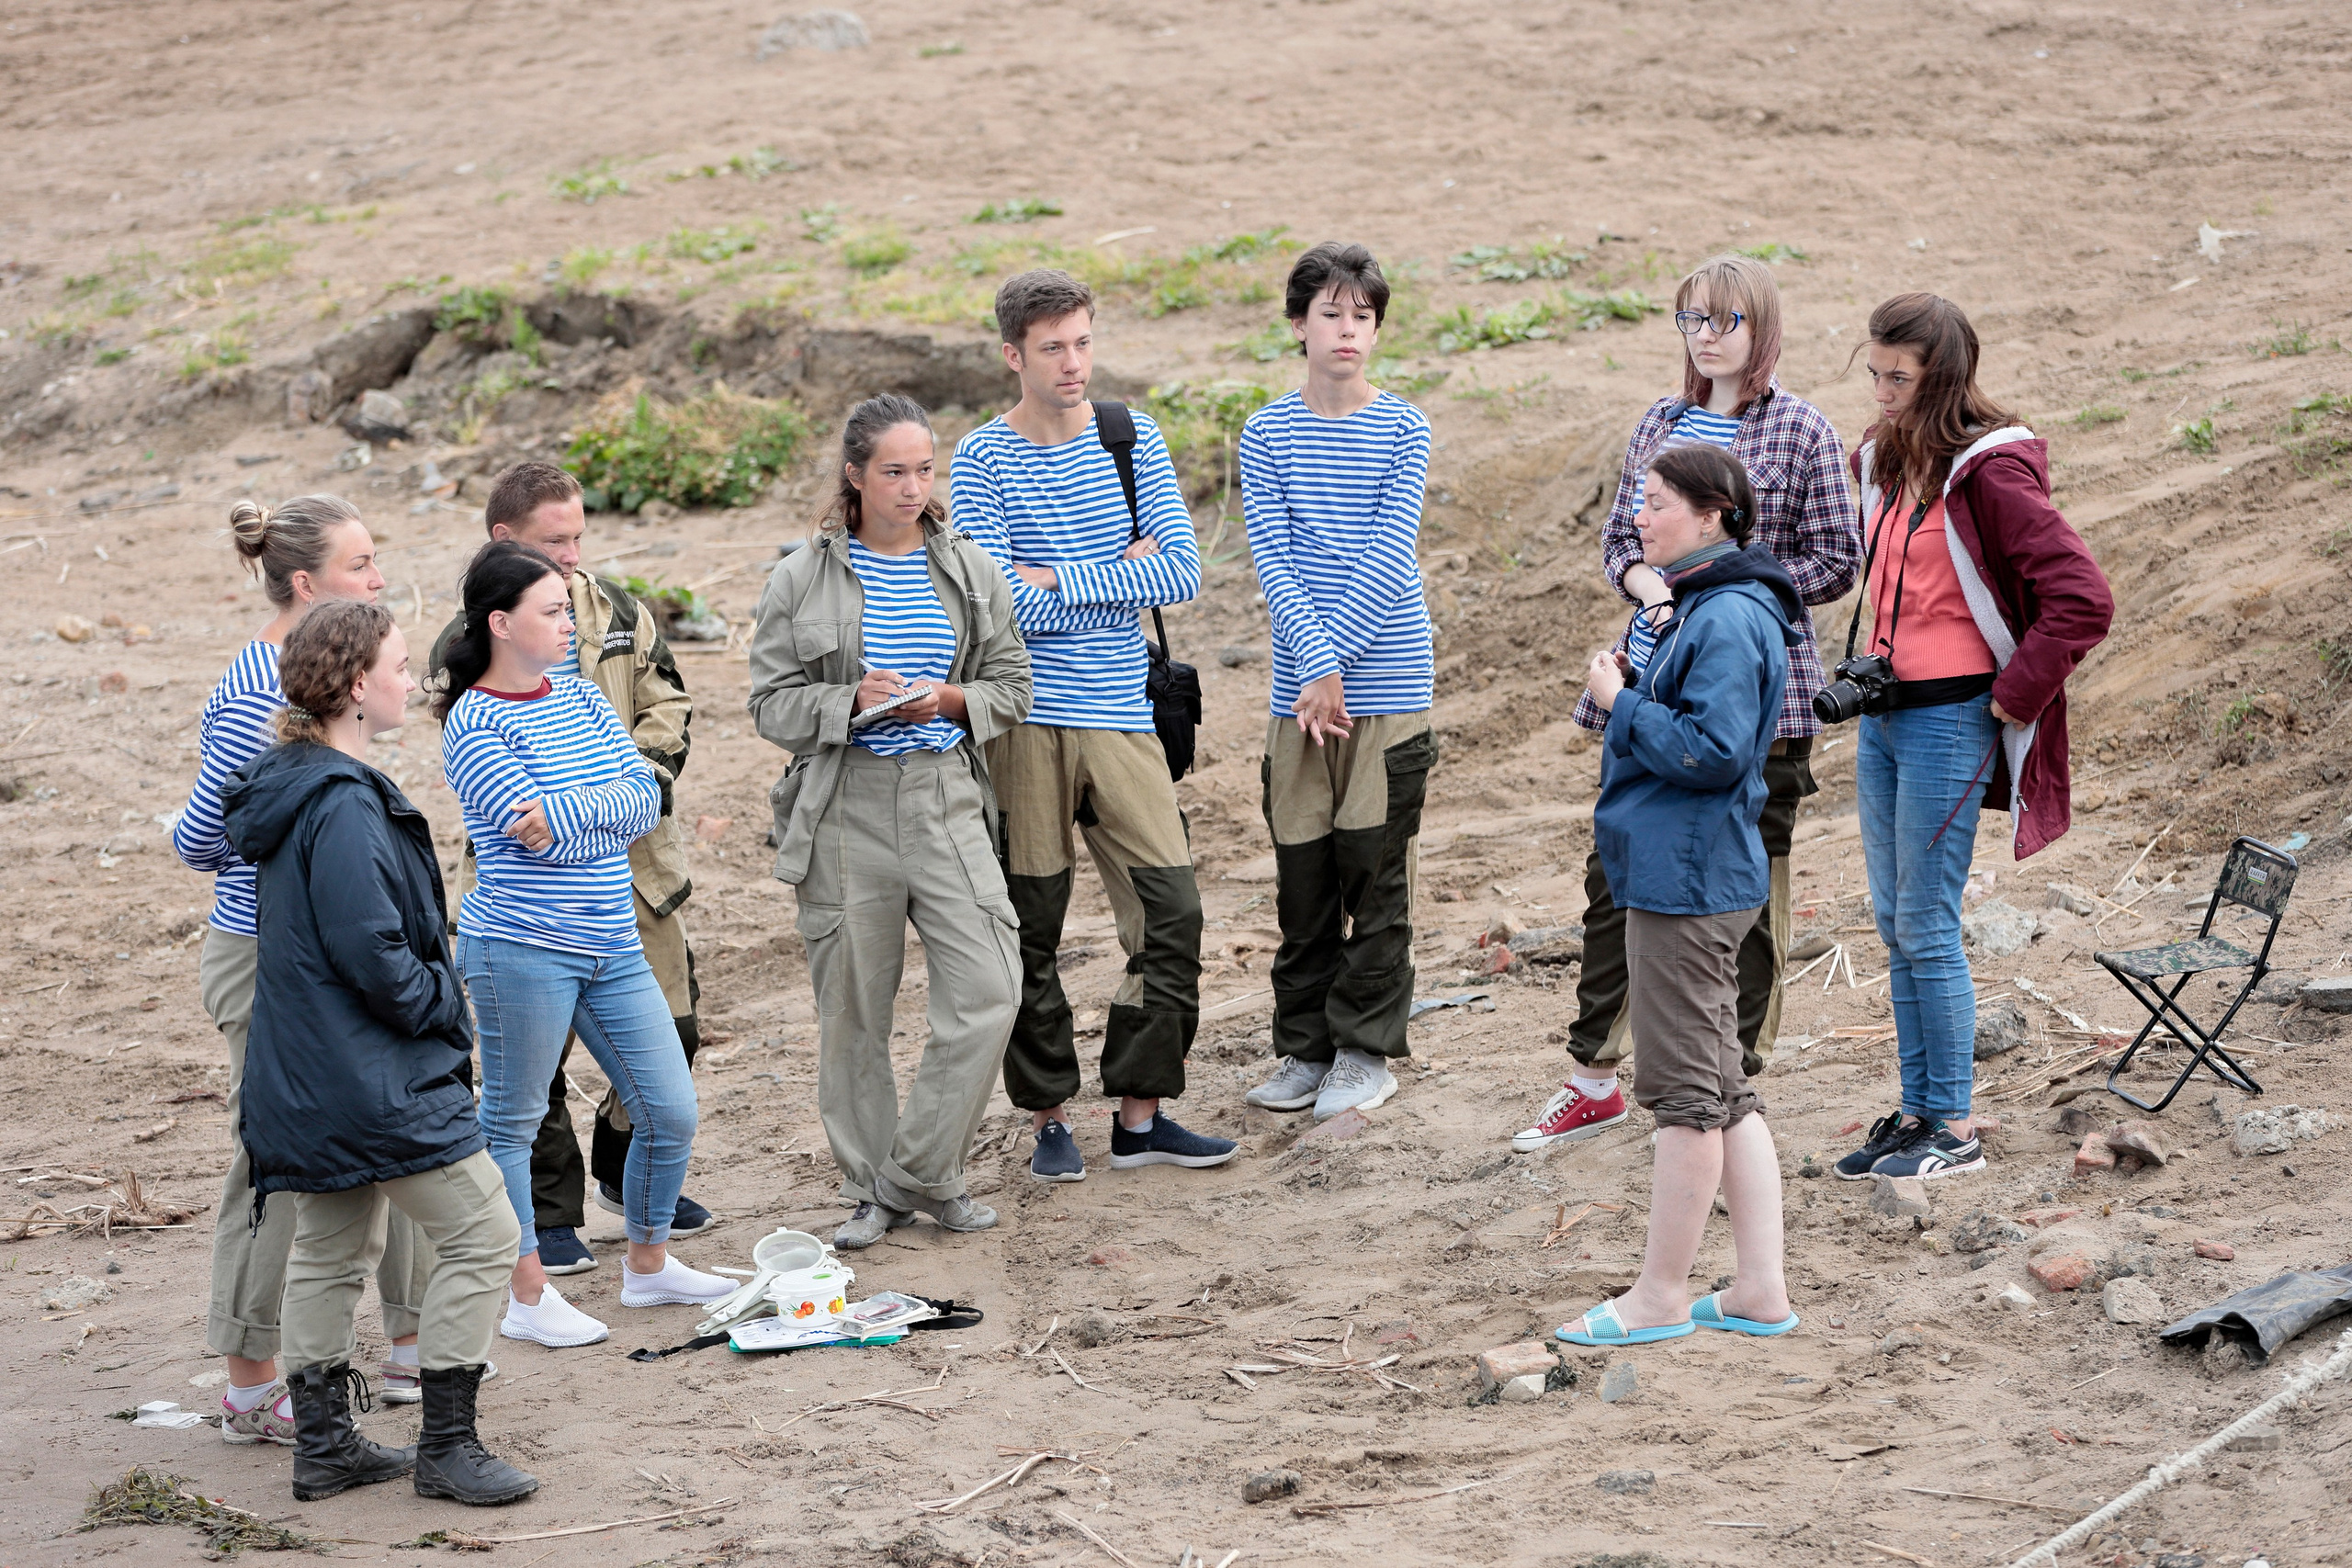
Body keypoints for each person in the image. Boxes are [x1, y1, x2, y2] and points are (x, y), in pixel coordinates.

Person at [1516, 254, 1860, 1156]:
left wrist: (1729, 589)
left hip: (1763, 701)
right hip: (1646, 680)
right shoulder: (1657, 423)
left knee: (1746, 904)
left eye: (1723, 320)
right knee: (1615, 883)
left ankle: (1730, 1093)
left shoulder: (1803, 431)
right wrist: (1655, 591)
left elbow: (1835, 558)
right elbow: (1616, 546)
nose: (1705, 337)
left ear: (1761, 328)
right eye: (1690, 320)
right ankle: (1592, 1073)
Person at [221, 601, 536, 1506]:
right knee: (484, 1235)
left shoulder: (296, 788)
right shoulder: (345, 804)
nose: (414, 679)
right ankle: (447, 1447)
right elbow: (375, 956)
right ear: (358, 688)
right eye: (401, 665)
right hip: (373, 1074)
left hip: (309, 1075)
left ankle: (323, 1448)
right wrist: (448, 1002)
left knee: (326, 1246)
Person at [953, 268, 1238, 1182]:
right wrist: (1110, 572)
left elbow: (1181, 573)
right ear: (1012, 356)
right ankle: (1046, 1119)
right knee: (1027, 927)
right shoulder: (979, 459)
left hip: (1123, 715)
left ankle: (1140, 1114)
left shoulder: (1130, 435)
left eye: (1081, 342)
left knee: (1171, 913)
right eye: (1051, 349)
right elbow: (991, 605)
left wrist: (1055, 580)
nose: (1073, 363)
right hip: (1023, 724)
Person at [1829, 294, 2112, 1182]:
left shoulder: (1990, 472)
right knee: (1891, 918)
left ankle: (1952, 1127)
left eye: (1898, 378)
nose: (1880, 391)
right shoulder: (1884, 455)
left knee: (1925, 918)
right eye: (1872, 372)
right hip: (1885, 717)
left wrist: (2011, 699)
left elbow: (2084, 600)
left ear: (1941, 376)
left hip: (1954, 718)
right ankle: (1914, 1113)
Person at [169, 496, 435, 1440]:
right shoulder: (252, 690)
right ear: (304, 583)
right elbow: (202, 837)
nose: (377, 579)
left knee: (410, 1117)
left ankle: (413, 1343)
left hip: (350, 945)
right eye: (362, 564)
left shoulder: (346, 659)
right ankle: (251, 1375)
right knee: (279, 1154)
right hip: (269, 956)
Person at [748, 393, 1034, 1248]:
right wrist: (848, 700)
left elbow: (1012, 688)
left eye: (925, 469)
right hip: (844, 808)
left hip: (947, 795)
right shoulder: (800, 575)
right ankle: (873, 1188)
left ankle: (917, 1172)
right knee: (854, 1012)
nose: (914, 487)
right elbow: (770, 706)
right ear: (855, 475)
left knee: (990, 989)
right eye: (895, 471)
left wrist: (947, 699)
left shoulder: (973, 570)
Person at [435, 540, 729, 1348]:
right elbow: (528, 837)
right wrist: (587, 813)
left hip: (612, 942)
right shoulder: (473, 720)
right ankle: (527, 1294)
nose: (570, 621)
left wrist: (567, 811)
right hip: (521, 950)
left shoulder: (581, 697)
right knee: (514, 1121)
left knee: (670, 1109)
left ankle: (647, 1262)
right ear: (501, 623)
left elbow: (644, 798)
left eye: (568, 608)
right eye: (553, 610)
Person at [1557, 445, 1801, 1348]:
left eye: (1655, 504)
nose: (1639, 520)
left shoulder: (1730, 616)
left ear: (1713, 516)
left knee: (1686, 1098)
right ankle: (1757, 1289)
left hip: (1689, 880)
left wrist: (1619, 703)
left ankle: (1658, 1297)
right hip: (1684, 869)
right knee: (1724, 1088)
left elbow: (1712, 752)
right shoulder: (1698, 605)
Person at [1236, 242, 1438, 1122]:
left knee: (1376, 870)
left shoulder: (1405, 427)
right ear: (1298, 326)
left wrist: (1333, 665)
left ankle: (1366, 1049)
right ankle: (1306, 1046)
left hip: (1385, 686)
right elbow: (1272, 560)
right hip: (1303, 697)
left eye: (1362, 317)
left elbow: (1389, 558)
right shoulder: (1266, 431)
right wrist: (1313, 670)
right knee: (1305, 874)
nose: (1347, 330)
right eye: (1331, 314)